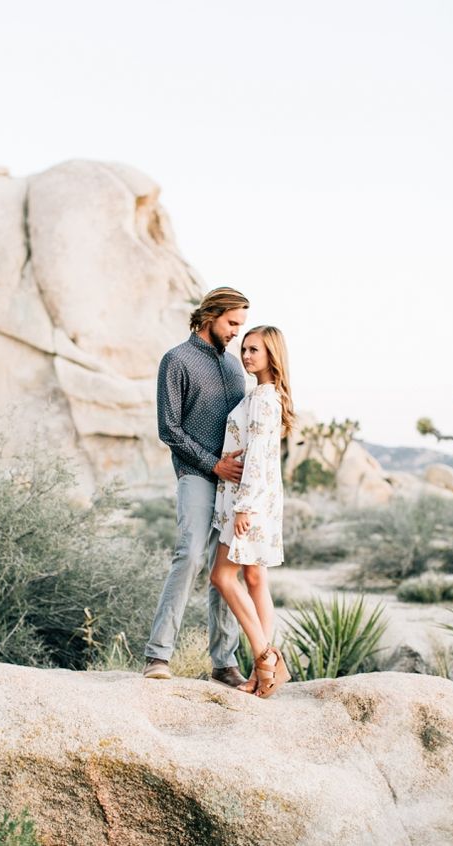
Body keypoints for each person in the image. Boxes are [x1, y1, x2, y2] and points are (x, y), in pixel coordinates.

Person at [143, 287, 250, 687]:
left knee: (226, 570)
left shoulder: (236, 368)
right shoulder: (177, 360)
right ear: (210, 315)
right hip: (196, 475)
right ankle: (158, 655)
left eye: (241, 324)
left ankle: (224, 664)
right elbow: (168, 428)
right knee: (189, 555)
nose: (238, 332)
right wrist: (213, 464)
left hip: (234, 485)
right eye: (232, 323)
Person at [210, 326, 295, 698]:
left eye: (254, 350)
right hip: (262, 500)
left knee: (222, 578)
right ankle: (263, 673)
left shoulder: (262, 398)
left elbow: (259, 456)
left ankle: (266, 660)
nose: (246, 356)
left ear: (271, 354)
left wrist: (243, 507)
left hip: (249, 502)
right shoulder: (265, 395)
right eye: (244, 349)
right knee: (255, 580)